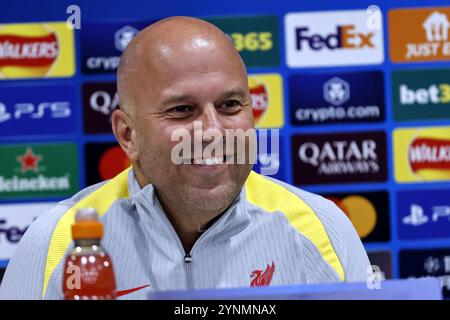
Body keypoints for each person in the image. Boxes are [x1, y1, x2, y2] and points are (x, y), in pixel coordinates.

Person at [0, 16, 371, 300]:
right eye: (181, 110)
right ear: (127, 135)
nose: (212, 131)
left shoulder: (321, 230)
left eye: (229, 105)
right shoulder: (56, 243)